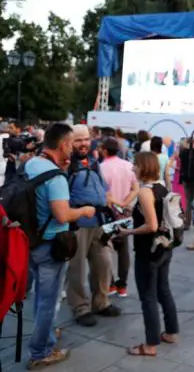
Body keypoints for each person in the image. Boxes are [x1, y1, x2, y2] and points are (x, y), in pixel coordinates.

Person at [25, 123, 96, 370]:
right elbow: (62, 215)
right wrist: (85, 211)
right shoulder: (55, 177)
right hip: (50, 246)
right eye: (72, 143)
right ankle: (41, 351)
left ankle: (44, 337)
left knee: (40, 298)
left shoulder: (33, 163)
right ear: (64, 144)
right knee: (48, 301)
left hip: (31, 241)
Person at [118, 152, 179, 357]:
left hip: (148, 251)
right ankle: (171, 332)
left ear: (143, 167)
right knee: (164, 290)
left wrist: (129, 231)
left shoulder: (145, 192)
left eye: (135, 165)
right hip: (164, 247)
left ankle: (151, 344)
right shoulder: (162, 187)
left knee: (148, 297)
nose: (133, 168)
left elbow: (151, 225)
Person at [66, 125, 121, 327]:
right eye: (78, 140)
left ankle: (101, 302)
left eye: (86, 139)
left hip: (99, 221)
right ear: (69, 142)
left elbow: (102, 187)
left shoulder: (92, 161)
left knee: (105, 262)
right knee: (76, 268)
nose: (83, 144)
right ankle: (80, 307)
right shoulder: (65, 163)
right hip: (77, 222)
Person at [100, 137, 139, 298]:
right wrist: (124, 203)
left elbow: (104, 195)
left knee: (105, 248)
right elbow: (136, 189)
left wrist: (116, 203)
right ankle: (122, 285)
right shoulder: (129, 166)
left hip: (107, 213)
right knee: (123, 249)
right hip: (126, 212)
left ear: (104, 150)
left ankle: (110, 284)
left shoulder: (101, 168)